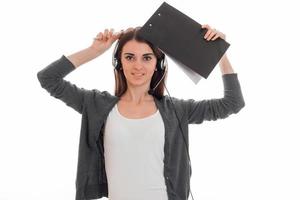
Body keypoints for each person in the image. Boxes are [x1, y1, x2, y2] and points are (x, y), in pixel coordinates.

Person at [37, 25, 245, 200]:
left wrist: (220, 52)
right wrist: (94, 50)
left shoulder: (176, 110)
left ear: (157, 64)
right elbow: (48, 78)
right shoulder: (96, 105)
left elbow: (233, 102)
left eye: (146, 58)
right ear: (119, 63)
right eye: (129, 57)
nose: (138, 65)